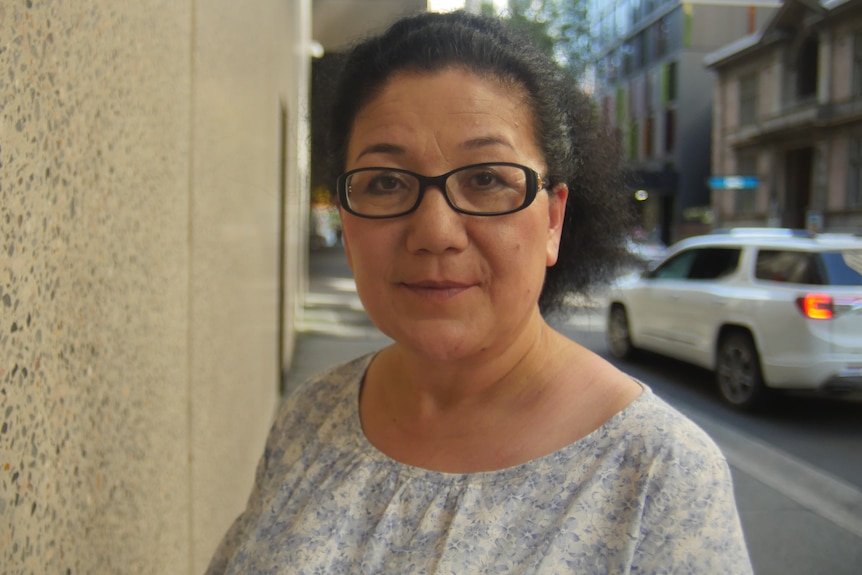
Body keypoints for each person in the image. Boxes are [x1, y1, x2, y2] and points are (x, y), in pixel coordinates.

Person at [206, 10, 752, 574]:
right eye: (387, 183)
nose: (435, 233)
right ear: (347, 221)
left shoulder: (659, 477)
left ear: (553, 221)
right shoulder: (310, 416)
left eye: (487, 179)